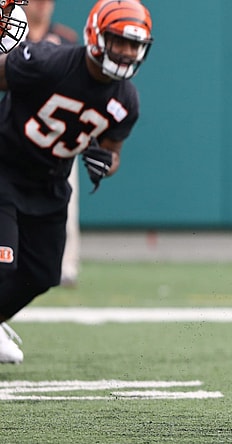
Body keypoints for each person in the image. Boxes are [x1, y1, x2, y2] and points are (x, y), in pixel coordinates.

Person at [0, 0, 153, 364]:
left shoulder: (126, 100)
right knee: (3, 262)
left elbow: (112, 152)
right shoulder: (48, 63)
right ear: (96, 36)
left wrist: (106, 164)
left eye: (134, 44)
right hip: (5, 166)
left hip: (50, 182)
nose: (126, 51)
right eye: (119, 41)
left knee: (42, 275)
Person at [22, 0, 80, 288]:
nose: (43, 5)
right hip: (18, 133)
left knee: (64, 201)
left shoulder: (65, 38)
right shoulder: (11, 35)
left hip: (58, 137)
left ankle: (66, 265)